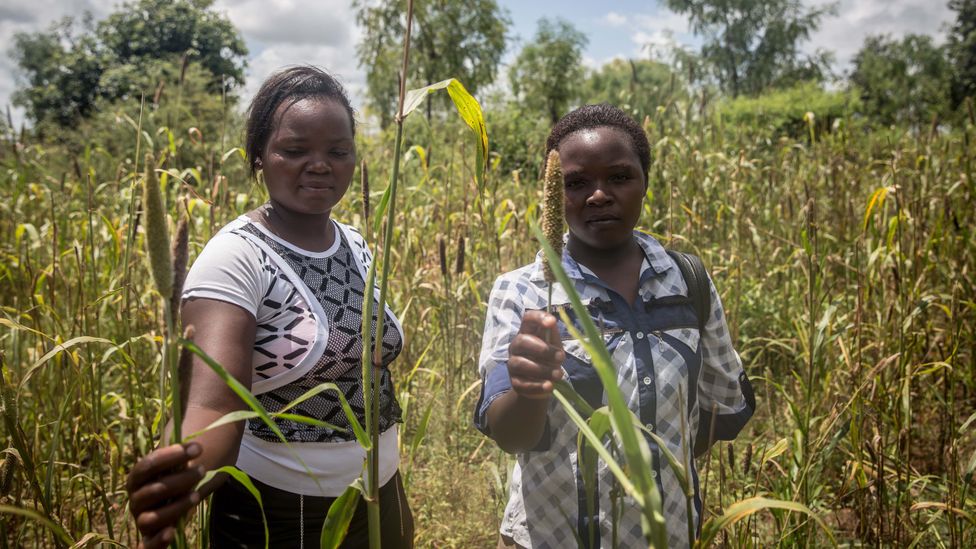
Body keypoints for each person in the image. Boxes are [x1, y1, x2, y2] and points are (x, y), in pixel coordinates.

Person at [126, 66, 414, 549]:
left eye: (338, 152)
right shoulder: (236, 257)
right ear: (258, 156)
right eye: (296, 151)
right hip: (284, 514)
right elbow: (214, 403)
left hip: (381, 497)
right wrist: (185, 471)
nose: (321, 165)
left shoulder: (356, 243)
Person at [474, 104, 755, 548]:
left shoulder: (687, 282)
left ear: (645, 182)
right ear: (553, 194)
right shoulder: (522, 293)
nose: (599, 195)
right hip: (554, 536)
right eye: (576, 183)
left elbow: (718, 413)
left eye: (620, 177)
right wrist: (529, 391)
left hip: (668, 533)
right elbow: (510, 435)